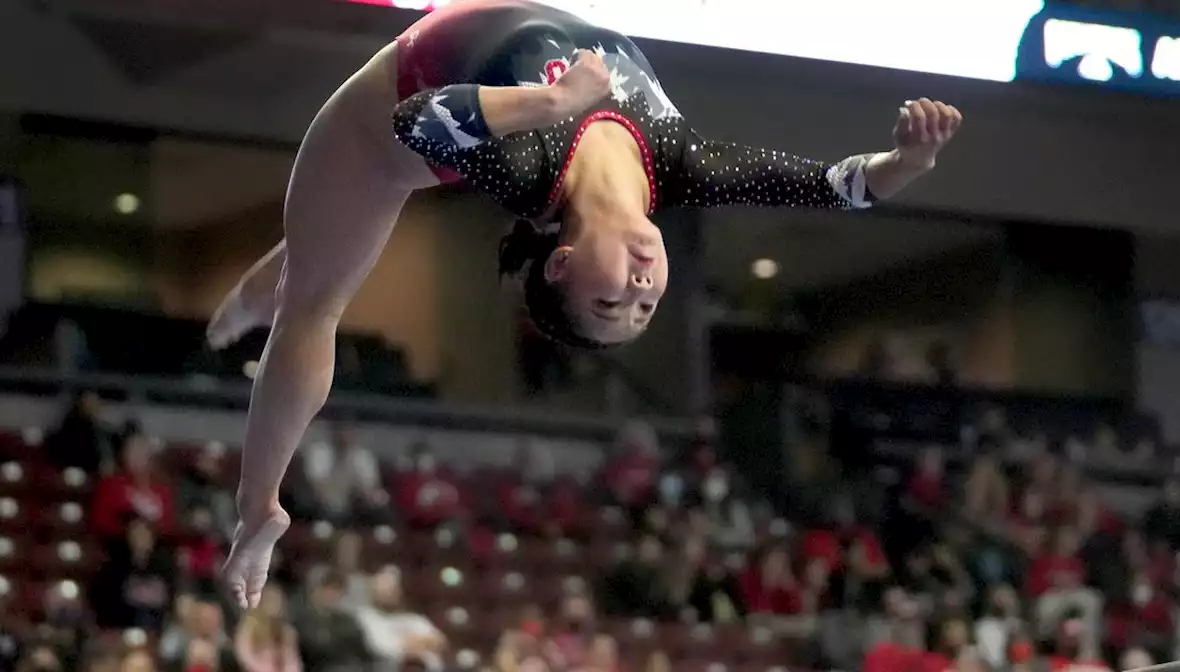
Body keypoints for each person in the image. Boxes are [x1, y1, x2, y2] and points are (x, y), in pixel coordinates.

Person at [220, 0, 961, 607]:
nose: (639, 294)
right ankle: (299, 253)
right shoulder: (681, 163)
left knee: (311, 305)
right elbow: (837, 186)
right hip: (477, 78)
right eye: (643, 309)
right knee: (321, 244)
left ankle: (258, 507)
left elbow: (413, 123)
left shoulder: (533, 165)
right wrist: (910, 161)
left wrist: (551, 101)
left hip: (380, 130)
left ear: (564, 262)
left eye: (611, 303)